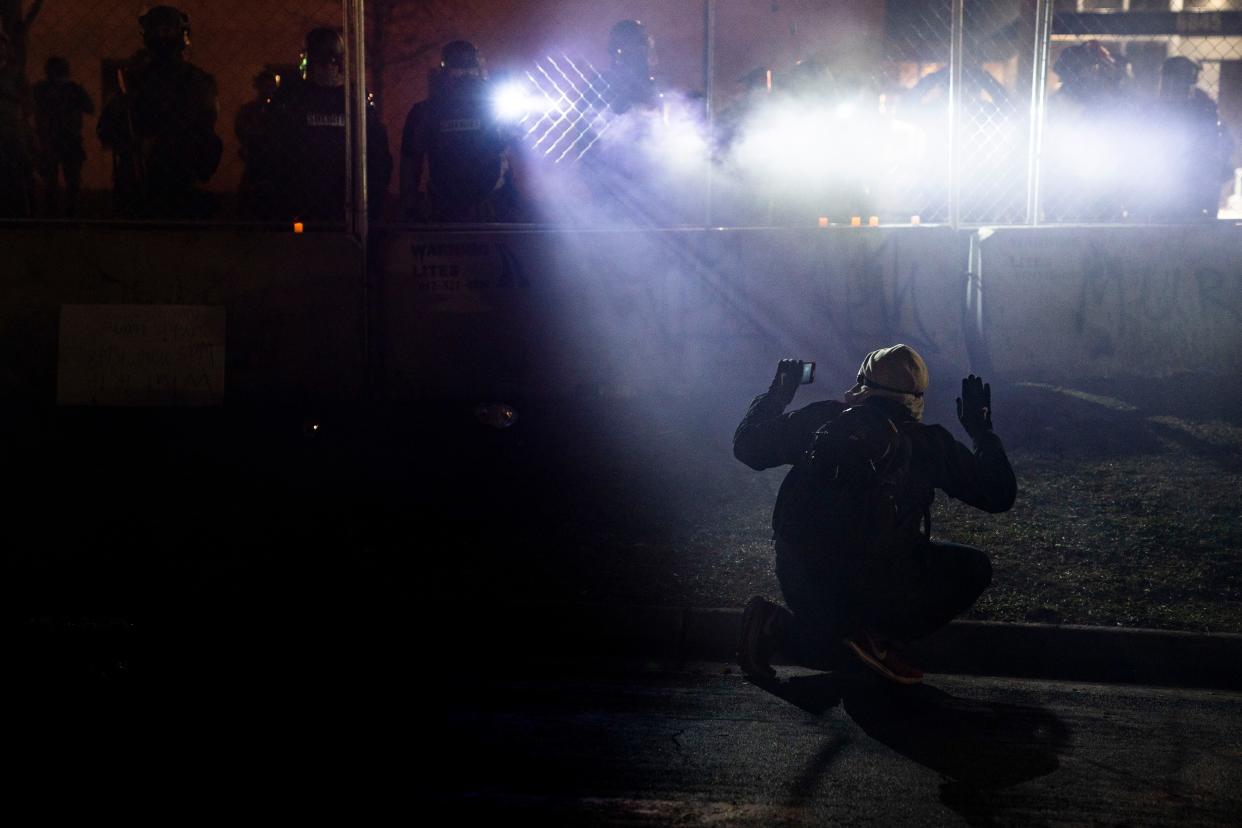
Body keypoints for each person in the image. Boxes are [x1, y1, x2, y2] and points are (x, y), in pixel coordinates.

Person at [733, 345, 1016, 685]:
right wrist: (981, 432)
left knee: (843, 646)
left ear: (862, 383)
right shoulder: (928, 444)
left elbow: (748, 446)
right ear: (917, 395)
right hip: (879, 585)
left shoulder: (823, 418)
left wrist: (778, 395)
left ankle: (781, 627)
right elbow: (999, 494)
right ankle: (875, 642)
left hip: (800, 576)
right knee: (974, 568)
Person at [96, 5, 223, 219]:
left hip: (153, 183)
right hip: (168, 180)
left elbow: (107, 130)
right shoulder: (196, 80)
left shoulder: (135, 79)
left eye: (166, 30)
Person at [259, 27, 391, 223]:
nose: (328, 68)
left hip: (313, 202)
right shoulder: (352, 102)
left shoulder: (296, 100)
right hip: (324, 203)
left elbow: (377, 155)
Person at [400, 40, 513, 223]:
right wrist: (409, 203)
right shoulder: (427, 111)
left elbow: (516, 147)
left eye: (470, 68)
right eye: (459, 68)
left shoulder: (495, 107)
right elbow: (410, 162)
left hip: (489, 204)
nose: (466, 74)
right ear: (446, 71)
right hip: (447, 205)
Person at [1149, 56, 1234, 221]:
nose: (1174, 85)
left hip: (1194, 175)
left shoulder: (1203, 107)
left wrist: (1212, 157)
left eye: (1180, 79)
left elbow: (1221, 140)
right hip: (1159, 173)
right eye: (1169, 79)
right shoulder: (1154, 109)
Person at [32, 56, 94, 217]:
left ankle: (60, 213)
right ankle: (63, 213)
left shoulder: (46, 88)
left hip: (60, 137)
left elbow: (89, 107)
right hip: (58, 137)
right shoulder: (68, 89)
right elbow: (89, 107)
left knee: (62, 179)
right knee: (61, 179)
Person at [234, 69, 279, 219]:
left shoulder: (279, 111)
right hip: (255, 157)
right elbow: (241, 130)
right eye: (265, 86)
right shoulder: (249, 110)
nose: (268, 91)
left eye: (271, 87)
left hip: (273, 159)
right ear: (258, 87)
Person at [0, 31, 36, 218]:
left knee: (20, 166)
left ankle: (24, 213)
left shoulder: (15, 73)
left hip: (11, 126)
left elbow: (28, 101)